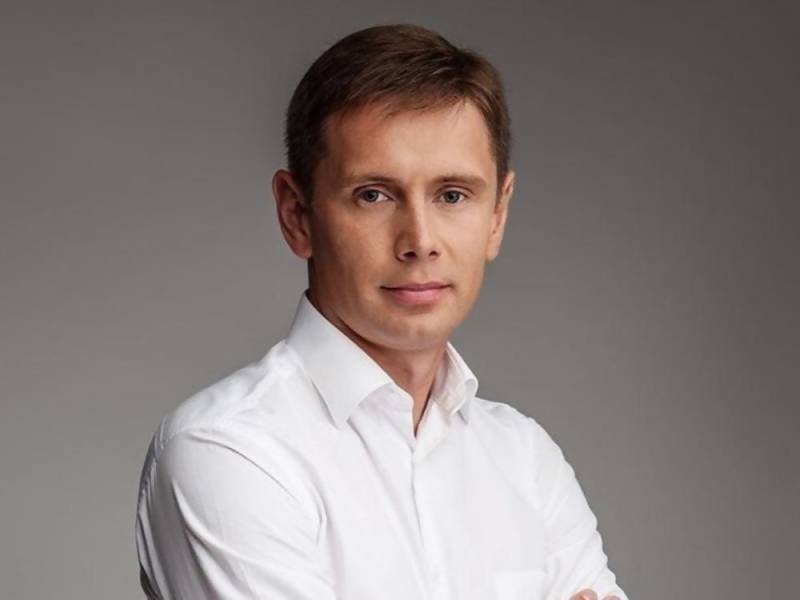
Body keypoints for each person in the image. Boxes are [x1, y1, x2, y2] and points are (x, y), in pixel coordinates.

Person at [134, 23, 629, 600]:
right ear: (297, 216)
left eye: (452, 195)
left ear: (496, 216)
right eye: (374, 195)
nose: (420, 241)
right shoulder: (226, 451)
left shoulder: (525, 458)